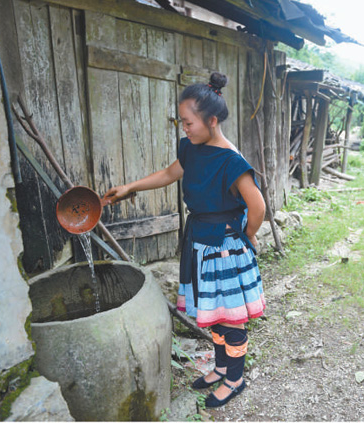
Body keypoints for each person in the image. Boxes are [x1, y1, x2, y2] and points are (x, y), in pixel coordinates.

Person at [103, 72, 266, 408]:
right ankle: (221, 366)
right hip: (200, 242)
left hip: (224, 248)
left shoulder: (232, 161)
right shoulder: (192, 149)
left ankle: (235, 378)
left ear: (212, 120)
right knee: (215, 311)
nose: (184, 128)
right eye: (182, 122)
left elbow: (258, 206)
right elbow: (168, 173)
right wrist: (130, 187)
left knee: (230, 317)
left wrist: (244, 238)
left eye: (188, 122)